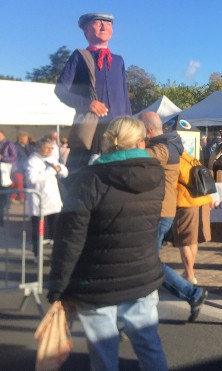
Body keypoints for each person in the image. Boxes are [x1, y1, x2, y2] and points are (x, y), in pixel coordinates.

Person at [48, 116, 167, 371]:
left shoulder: (88, 179)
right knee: (149, 346)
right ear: (139, 141)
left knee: (103, 357)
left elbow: (69, 239)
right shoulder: (155, 176)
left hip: (95, 281)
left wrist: (58, 286)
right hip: (142, 275)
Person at [140, 111, 208, 322]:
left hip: (162, 211)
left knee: (146, 261)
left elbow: (137, 158)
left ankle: (191, 291)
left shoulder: (162, 148)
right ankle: (190, 292)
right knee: (146, 261)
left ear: (148, 130)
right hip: (166, 209)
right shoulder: (169, 144)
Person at [55, 13, 131, 171]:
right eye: (98, 23)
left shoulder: (119, 60)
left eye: (109, 24)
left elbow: (124, 95)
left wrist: (130, 124)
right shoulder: (79, 56)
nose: (104, 27)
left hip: (118, 130)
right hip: (91, 129)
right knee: (85, 171)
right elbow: (61, 90)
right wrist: (87, 104)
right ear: (86, 30)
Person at [173, 151, 213, 286]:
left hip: (186, 203)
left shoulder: (175, 162)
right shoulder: (192, 159)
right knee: (192, 240)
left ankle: (189, 275)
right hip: (202, 201)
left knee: (184, 241)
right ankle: (189, 272)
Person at [26, 137, 69, 260]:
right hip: (39, 202)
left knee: (56, 230)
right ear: (39, 148)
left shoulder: (51, 159)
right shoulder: (32, 161)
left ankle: (55, 254)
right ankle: (37, 254)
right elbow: (32, 179)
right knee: (38, 232)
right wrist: (51, 170)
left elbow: (65, 171)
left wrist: (60, 169)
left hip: (53, 201)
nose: (50, 150)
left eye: (51, 148)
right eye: (47, 148)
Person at [0, 130, 17, 226]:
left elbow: (14, 158)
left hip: (6, 173)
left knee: (3, 198)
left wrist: (2, 158)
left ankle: (2, 218)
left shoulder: (9, 144)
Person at [11, 132, 33, 203]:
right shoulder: (15, 146)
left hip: (26, 167)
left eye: (27, 138)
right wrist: (14, 168)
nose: (26, 139)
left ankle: (12, 197)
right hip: (18, 168)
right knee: (19, 183)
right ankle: (22, 198)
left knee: (17, 184)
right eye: (24, 138)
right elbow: (14, 157)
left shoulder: (29, 147)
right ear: (20, 139)